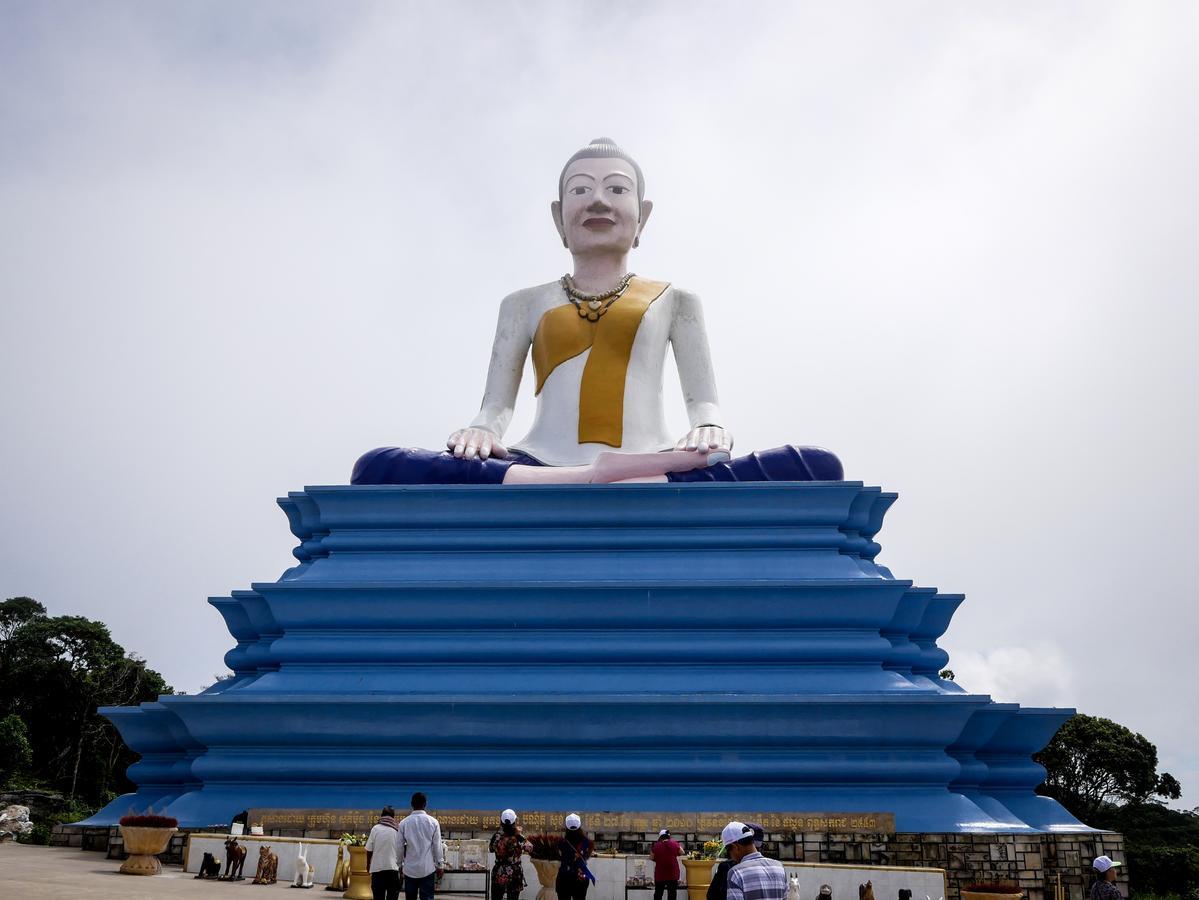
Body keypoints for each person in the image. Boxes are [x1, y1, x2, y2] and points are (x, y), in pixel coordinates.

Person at [351, 137, 842, 487]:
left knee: (815, 464)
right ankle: (595, 480)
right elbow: (496, 407)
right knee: (380, 465)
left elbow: (705, 406)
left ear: (642, 215)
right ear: (558, 215)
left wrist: (710, 427)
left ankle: (621, 479)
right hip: (537, 463)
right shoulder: (523, 304)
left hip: (655, 458)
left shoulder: (675, 300)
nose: (599, 201)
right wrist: (481, 429)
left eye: (616, 189)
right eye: (581, 190)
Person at [722, 821, 786, 900]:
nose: (731, 856)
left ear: (735, 847)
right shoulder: (779, 867)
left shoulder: (736, 873)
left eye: (728, 851)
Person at [398, 792, 445, 900]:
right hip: (427, 868)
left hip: (410, 869)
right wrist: (440, 865)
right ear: (425, 804)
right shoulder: (433, 822)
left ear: (411, 804)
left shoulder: (404, 823)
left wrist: (399, 865)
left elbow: (399, 847)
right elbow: (437, 846)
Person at [707, 823, 763, 900]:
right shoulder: (777, 868)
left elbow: (713, 896)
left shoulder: (732, 870)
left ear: (736, 847)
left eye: (728, 849)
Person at [490, 808, 533, 900]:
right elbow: (530, 848)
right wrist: (518, 835)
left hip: (499, 871)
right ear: (514, 821)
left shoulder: (497, 836)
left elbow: (491, 849)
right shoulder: (517, 837)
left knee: (496, 897)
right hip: (514, 873)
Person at [365, 806, 402, 900]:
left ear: (381, 816)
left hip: (377, 870)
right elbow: (402, 849)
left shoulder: (375, 829)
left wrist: (368, 864)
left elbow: (369, 850)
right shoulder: (398, 830)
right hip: (393, 869)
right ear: (393, 817)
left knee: (378, 897)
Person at [556, 813, 596, 900]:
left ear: (567, 827)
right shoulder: (587, 843)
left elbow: (559, 857)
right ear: (579, 826)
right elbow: (586, 855)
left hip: (564, 878)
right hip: (580, 877)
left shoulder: (561, 843)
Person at [651, 829, 684, 900]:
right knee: (672, 893)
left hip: (660, 873)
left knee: (658, 893)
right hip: (672, 873)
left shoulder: (656, 845)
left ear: (660, 837)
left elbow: (651, 857)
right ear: (669, 837)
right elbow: (682, 852)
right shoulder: (674, 843)